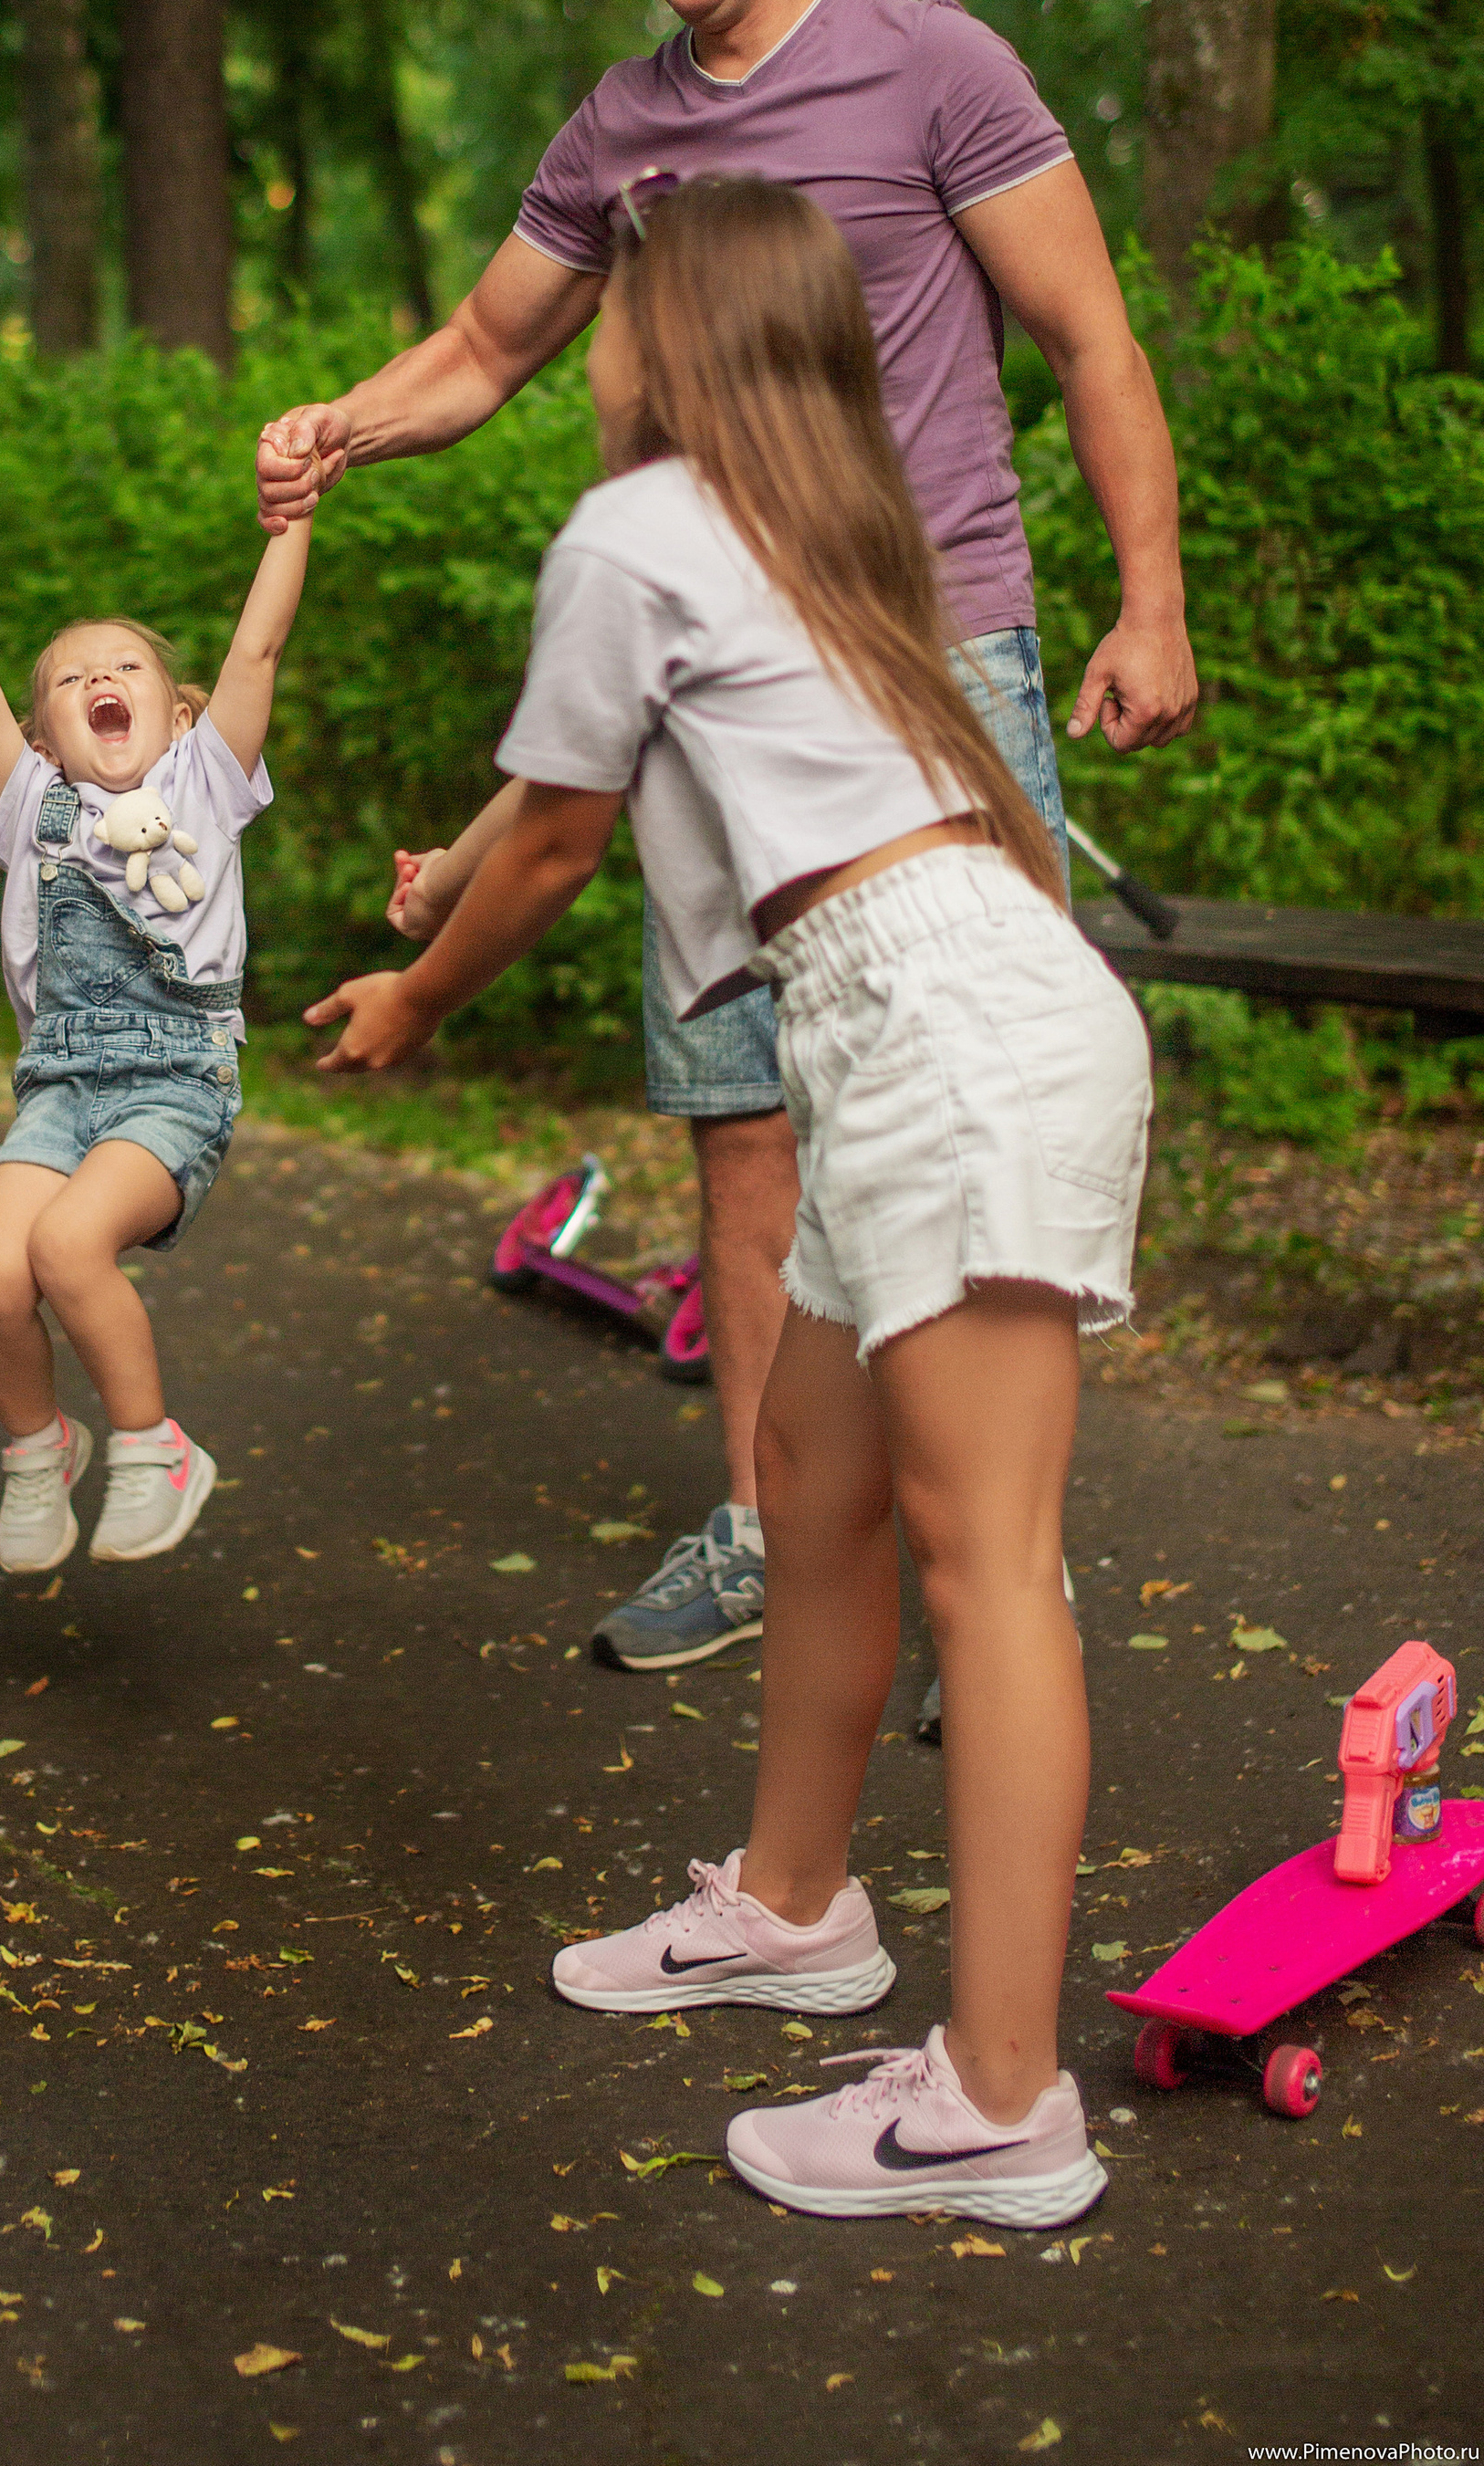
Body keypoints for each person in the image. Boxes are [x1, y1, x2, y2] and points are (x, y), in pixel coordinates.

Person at [260, 0, 1193, 1673]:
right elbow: (482, 344)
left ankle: (985, 1561)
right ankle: (768, 1531)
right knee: (741, 1123)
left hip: (927, 652)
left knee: (945, 1114)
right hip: (700, 687)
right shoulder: (618, 126)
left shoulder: (934, 63)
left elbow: (1086, 334)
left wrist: (1146, 601)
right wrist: (339, 429)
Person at [308, 174, 1146, 2228]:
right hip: (908, 1023)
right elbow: (572, 774)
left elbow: (562, 849)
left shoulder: (635, 526)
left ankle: (1002, 2104)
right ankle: (792, 1909)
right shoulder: (811, 536)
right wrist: (464, 853)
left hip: (943, 1031)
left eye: (611, 303)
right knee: (809, 1473)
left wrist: (421, 989)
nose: (585, 330)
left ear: (662, 338)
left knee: (988, 1562)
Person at [0, 492, 312, 1572]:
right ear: (43, 732)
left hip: (176, 1079)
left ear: (177, 712)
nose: (99, 681)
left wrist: (291, 520)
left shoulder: (204, 776)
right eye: (71, 677)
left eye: (125, 668)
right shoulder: (26, 799)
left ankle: (152, 1447)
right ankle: (39, 1453)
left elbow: (259, 646)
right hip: (60, 1085)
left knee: (65, 1244)